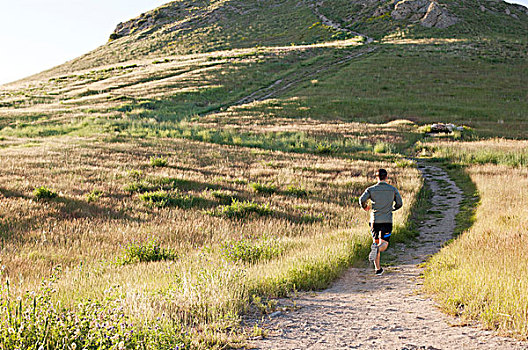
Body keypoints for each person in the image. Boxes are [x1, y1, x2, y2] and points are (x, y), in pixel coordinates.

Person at [359, 168, 403, 276]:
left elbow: (361, 200)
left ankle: (378, 269)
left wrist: (365, 207)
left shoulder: (371, 189)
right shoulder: (392, 189)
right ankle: (377, 249)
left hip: (374, 220)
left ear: (377, 177)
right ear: (386, 177)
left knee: (375, 241)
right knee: (384, 244)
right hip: (387, 220)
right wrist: (393, 208)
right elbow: (400, 203)